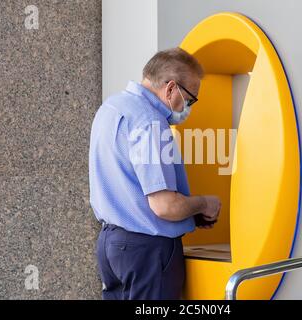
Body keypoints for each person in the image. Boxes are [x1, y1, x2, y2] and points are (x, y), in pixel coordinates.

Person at [89, 48, 221, 300]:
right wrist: (204, 203)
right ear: (171, 89)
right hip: (147, 251)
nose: (188, 108)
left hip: (111, 246)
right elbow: (165, 207)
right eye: (190, 99)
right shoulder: (149, 122)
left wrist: (192, 214)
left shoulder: (111, 108)